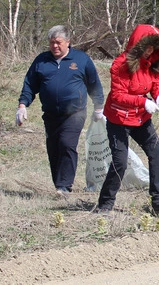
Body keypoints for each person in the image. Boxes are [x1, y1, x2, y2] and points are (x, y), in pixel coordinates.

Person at [96, 24, 159, 215]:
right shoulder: (121, 64)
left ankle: (158, 201)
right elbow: (118, 95)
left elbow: (157, 83)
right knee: (120, 162)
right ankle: (105, 203)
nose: (150, 51)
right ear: (139, 44)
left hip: (141, 119)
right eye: (148, 46)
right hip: (118, 119)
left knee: (156, 154)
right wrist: (143, 102)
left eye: (154, 47)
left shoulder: (152, 63)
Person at [17, 25, 105, 195]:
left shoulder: (81, 59)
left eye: (58, 42)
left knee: (66, 143)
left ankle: (65, 186)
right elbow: (29, 84)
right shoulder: (41, 61)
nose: (55, 46)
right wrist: (22, 105)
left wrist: (98, 107)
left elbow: (94, 84)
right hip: (50, 114)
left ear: (68, 42)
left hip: (75, 112)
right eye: (52, 43)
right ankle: (59, 184)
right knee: (54, 148)